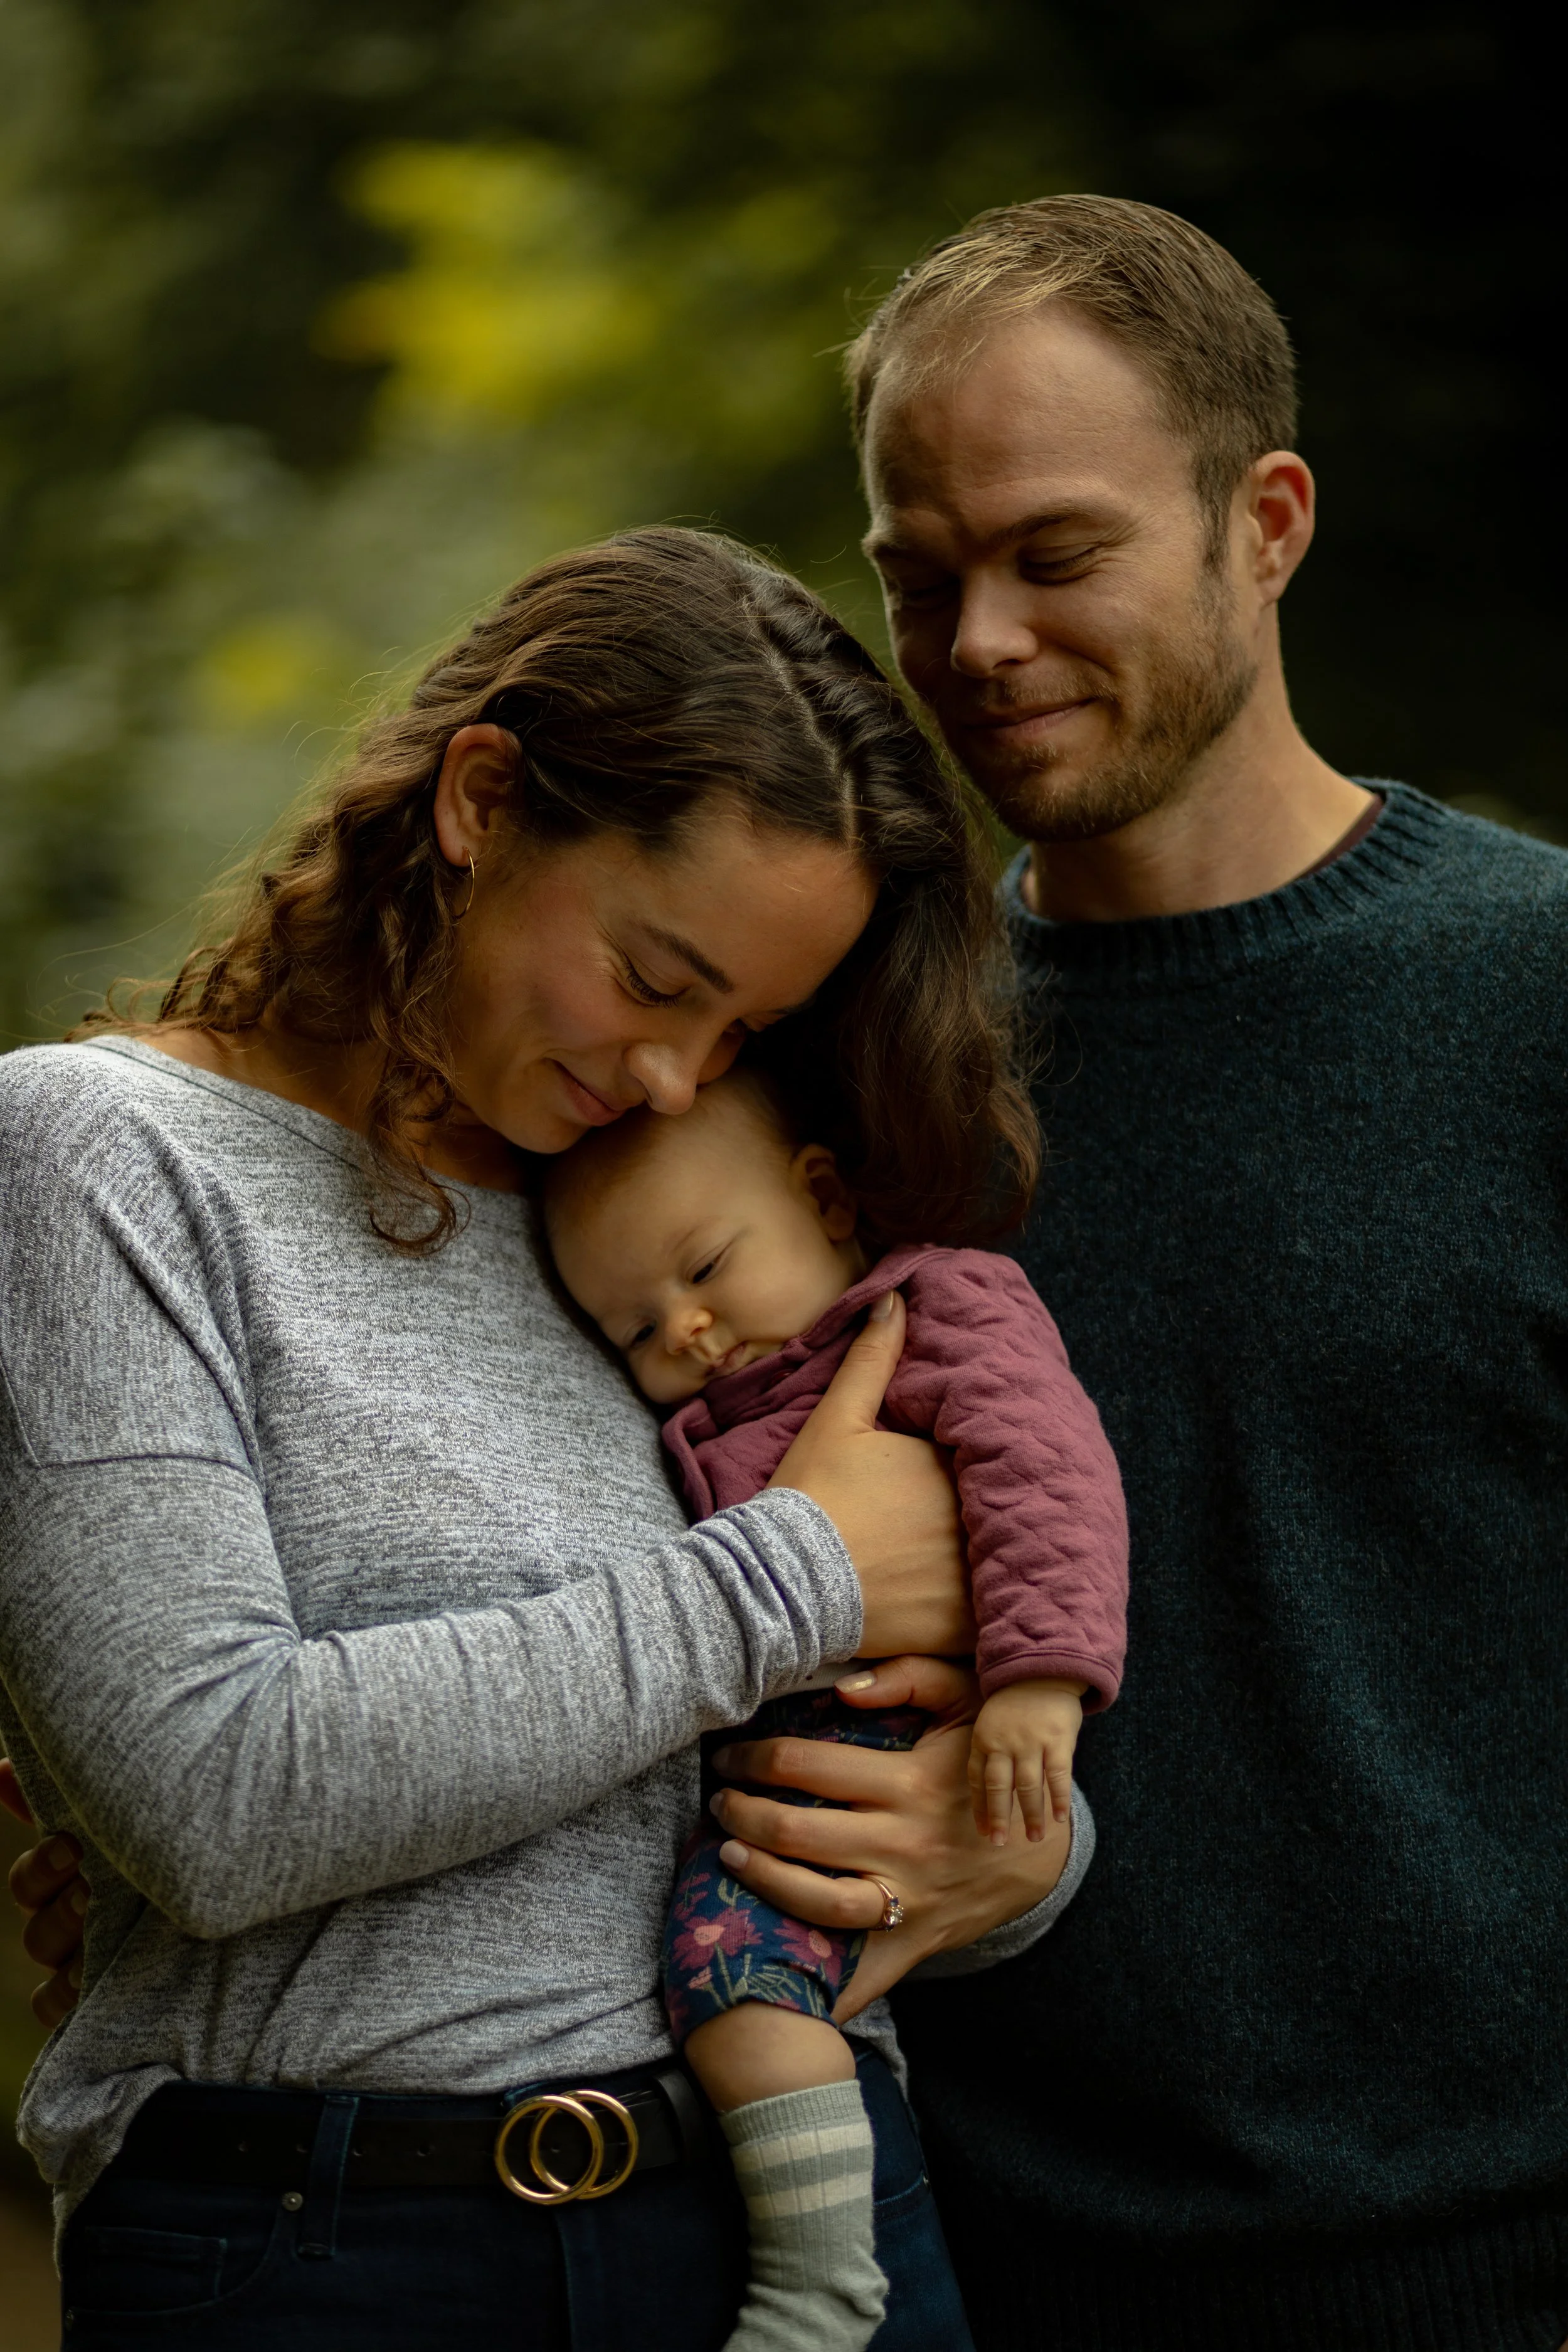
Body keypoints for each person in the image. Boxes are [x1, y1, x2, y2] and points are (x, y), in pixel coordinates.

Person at [0, 526, 1076, 2351]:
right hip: (341, 2246)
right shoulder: (104, 1160)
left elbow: (931, 1698)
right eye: (655, 977)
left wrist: (1011, 1862)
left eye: (742, 1024)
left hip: (825, 2225)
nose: (675, 1073)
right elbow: (214, 1794)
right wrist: (800, 1568)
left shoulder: (702, 1215)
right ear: (481, 797)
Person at [845, 197, 1568, 2349]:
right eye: (918, 573)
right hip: (960, 2281)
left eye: (1055, 553)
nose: (975, 640)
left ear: (1268, 524)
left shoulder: (1537, 1000)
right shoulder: (861, 1067)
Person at [540, 1065, 1126, 2352]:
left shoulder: (930, 1309)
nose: (685, 1332)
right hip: (785, 1782)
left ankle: (820, 2287)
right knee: (745, 1997)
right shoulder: (706, 1419)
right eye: (636, 1330)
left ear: (817, 1196)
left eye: (705, 1267)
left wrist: (1037, 1683)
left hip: (908, 1737)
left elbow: (1045, 1476)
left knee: (735, 1990)